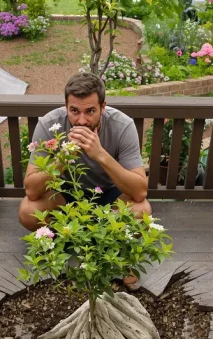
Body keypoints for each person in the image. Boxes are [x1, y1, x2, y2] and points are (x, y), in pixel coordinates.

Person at [18, 72, 151, 232]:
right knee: (28, 212)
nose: (81, 121)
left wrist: (100, 154)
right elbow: (32, 191)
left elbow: (140, 192)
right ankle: (70, 235)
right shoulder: (49, 124)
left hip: (109, 195)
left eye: (90, 111)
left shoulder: (122, 126)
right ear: (65, 106)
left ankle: (96, 236)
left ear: (102, 107)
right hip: (64, 197)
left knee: (141, 211)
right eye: (74, 111)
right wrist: (64, 157)